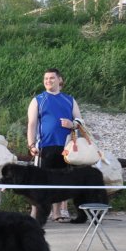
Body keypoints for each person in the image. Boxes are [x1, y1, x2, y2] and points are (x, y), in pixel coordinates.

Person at [27, 68, 83, 223]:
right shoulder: (38, 99)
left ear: (60, 80)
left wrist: (72, 124)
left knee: (60, 181)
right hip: (44, 147)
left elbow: (80, 121)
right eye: (45, 78)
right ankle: (35, 215)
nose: (48, 81)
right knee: (40, 182)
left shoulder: (69, 100)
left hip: (65, 148)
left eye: (51, 78)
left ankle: (57, 213)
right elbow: (31, 124)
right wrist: (31, 144)